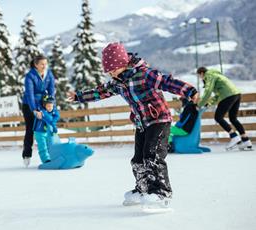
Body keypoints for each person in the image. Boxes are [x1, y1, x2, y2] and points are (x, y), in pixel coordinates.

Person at [67, 43, 198, 209]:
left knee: (152, 156)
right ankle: (143, 189)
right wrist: (79, 96)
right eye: (108, 69)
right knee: (138, 159)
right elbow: (100, 92)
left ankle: (161, 192)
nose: (110, 72)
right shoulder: (117, 82)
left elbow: (167, 82)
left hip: (159, 120)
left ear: (123, 62)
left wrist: (189, 91)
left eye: (113, 68)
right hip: (141, 123)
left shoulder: (144, 74)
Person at [196, 67, 253, 151]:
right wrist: (208, 103)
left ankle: (234, 136)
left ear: (201, 73)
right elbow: (218, 94)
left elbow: (208, 91)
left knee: (218, 117)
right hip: (236, 94)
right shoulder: (216, 75)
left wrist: (199, 104)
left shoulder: (209, 75)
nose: (200, 78)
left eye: (199, 76)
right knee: (233, 118)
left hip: (228, 96)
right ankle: (246, 141)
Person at [22, 54, 55, 167]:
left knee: (47, 129)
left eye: (45, 64)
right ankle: (27, 155)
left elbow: (51, 91)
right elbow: (29, 94)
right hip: (29, 105)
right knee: (31, 130)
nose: (44, 66)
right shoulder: (30, 76)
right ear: (36, 65)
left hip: (43, 104)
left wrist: (51, 106)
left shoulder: (49, 74)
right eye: (42, 64)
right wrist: (35, 110)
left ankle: (51, 154)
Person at [33, 95, 60, 165]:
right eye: (48, 106)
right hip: (39, 131)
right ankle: (45, 160)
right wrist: (53, 125)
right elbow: (49, 119)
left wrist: (53, 124)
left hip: (46, 132)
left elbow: (57, 115)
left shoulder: (53, 111)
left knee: (49, 144)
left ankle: (51, 158)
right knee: (42, 145)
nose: (50, 108)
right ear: (44, 105)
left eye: (51, 106)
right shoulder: (42, 111)